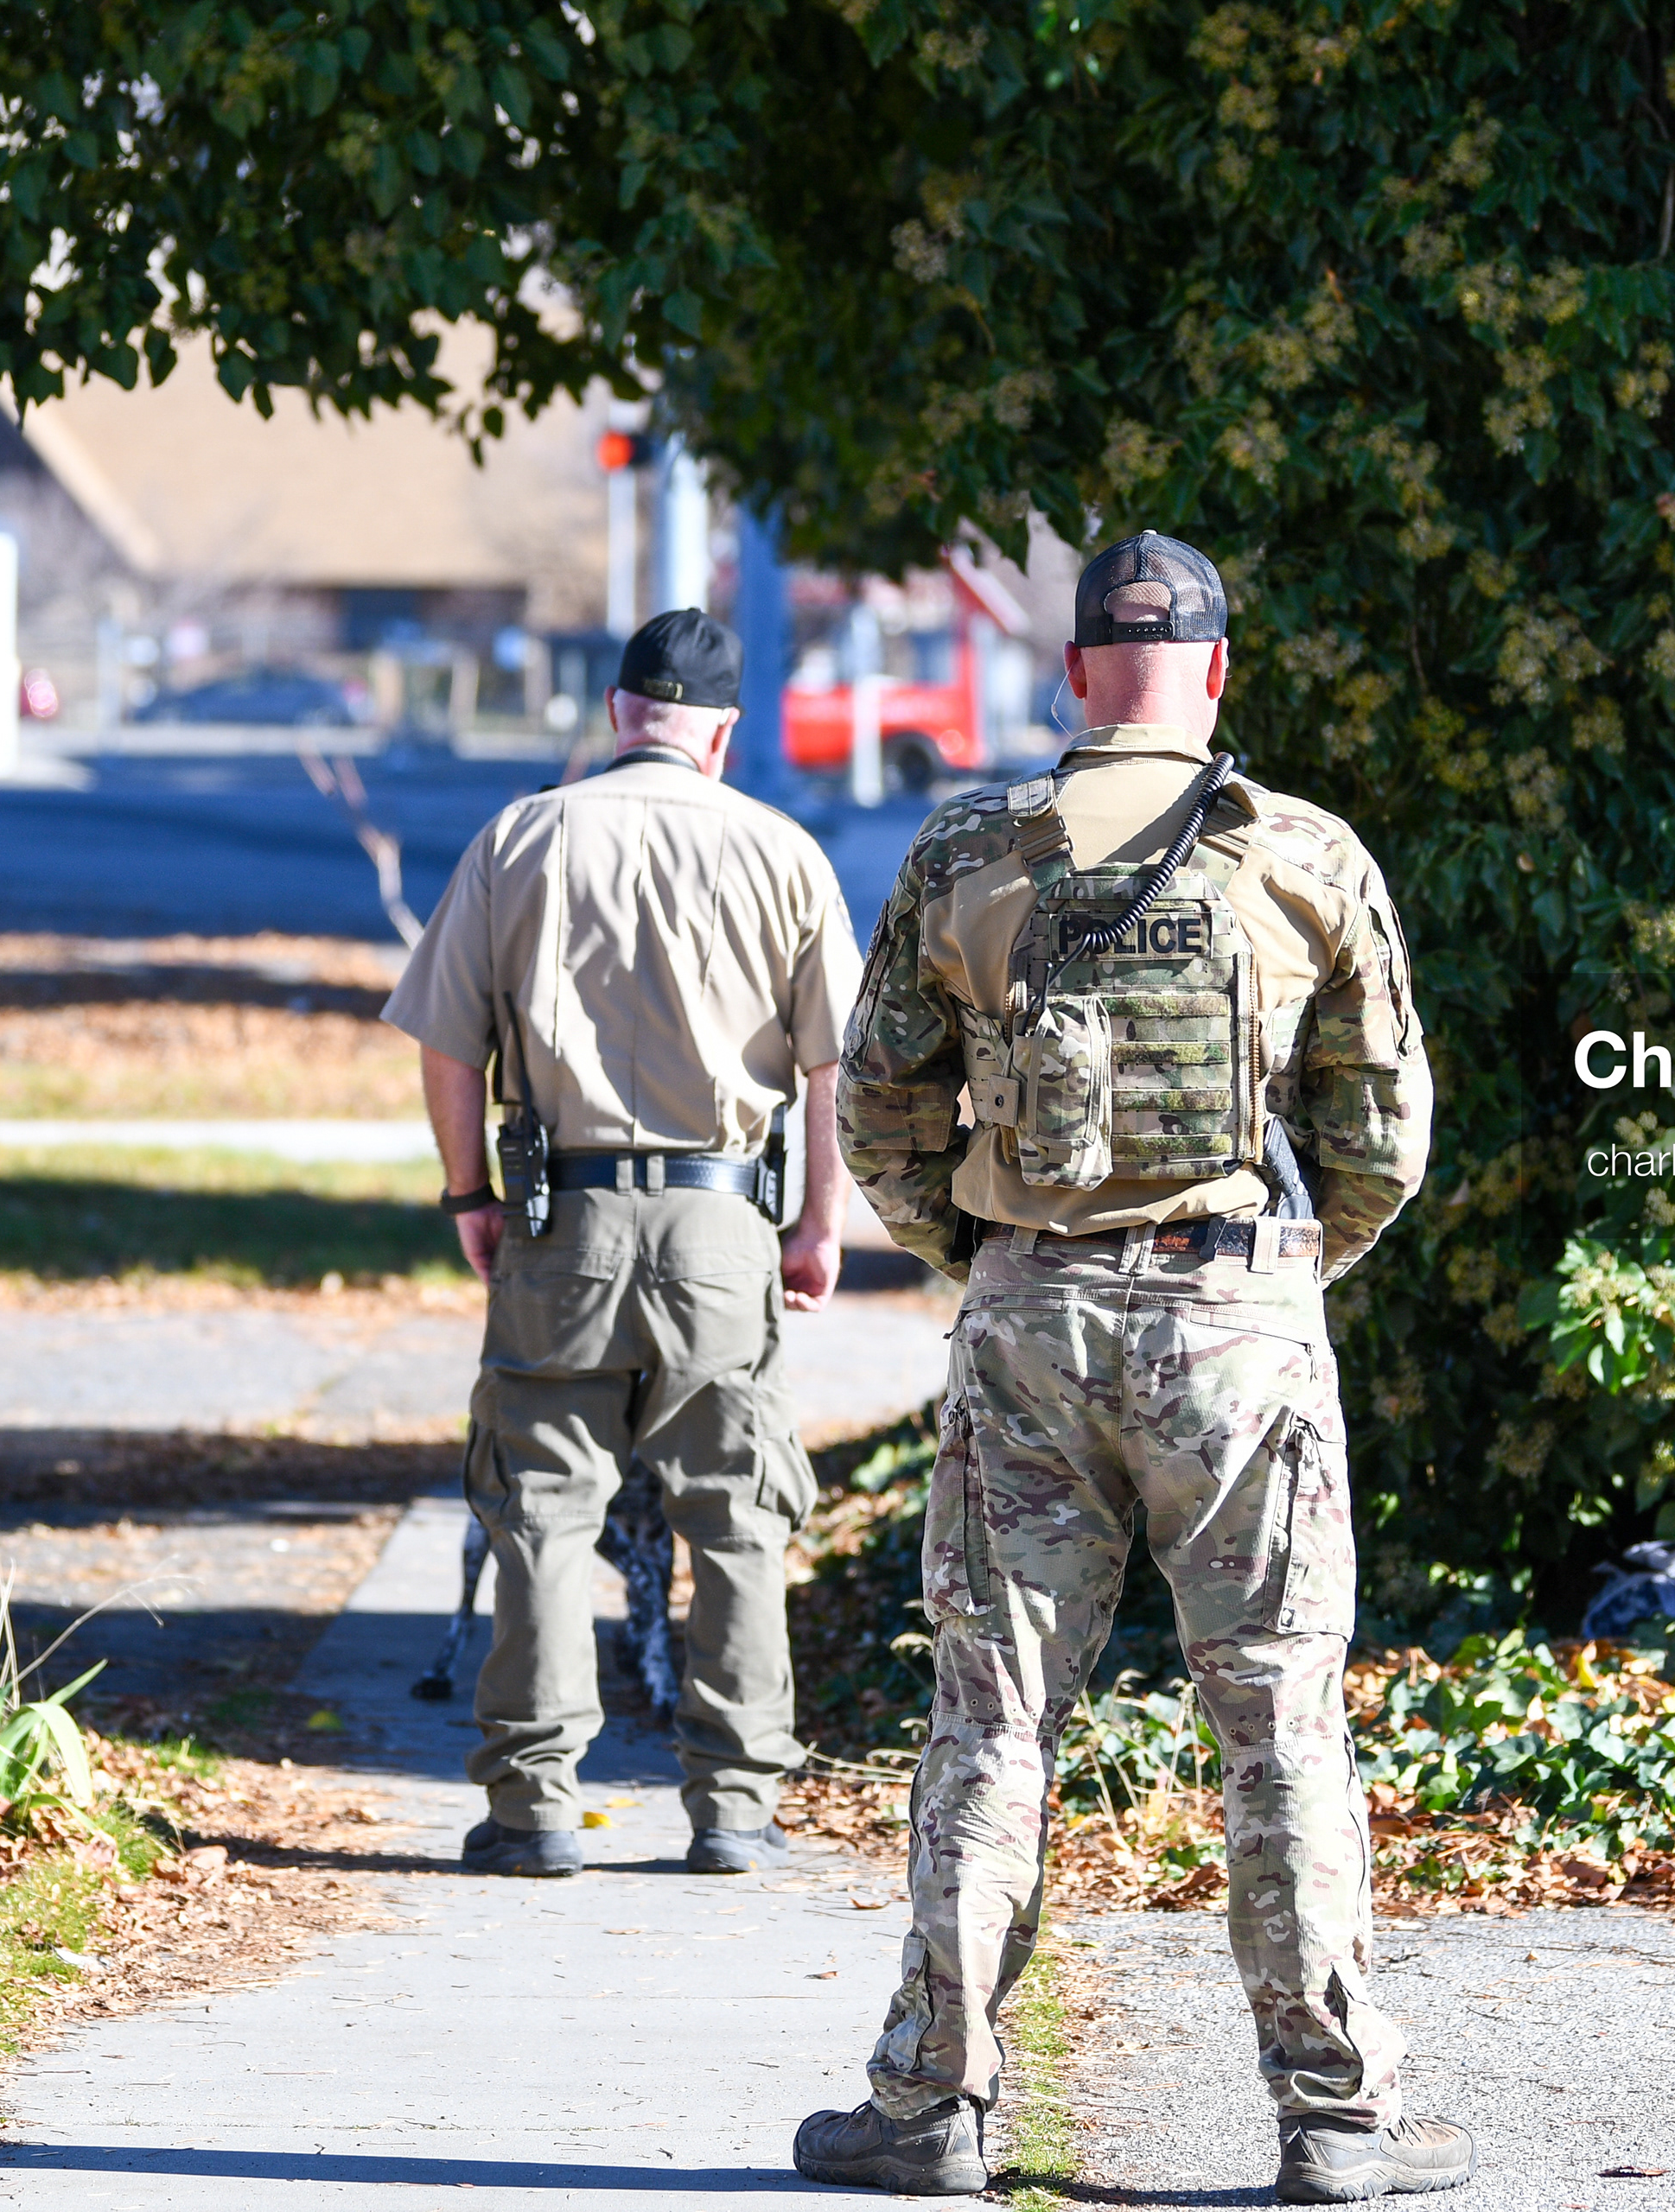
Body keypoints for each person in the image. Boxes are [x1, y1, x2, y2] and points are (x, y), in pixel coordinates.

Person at [795, 532, 1465, 2203]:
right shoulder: (1300, 855)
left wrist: (990, 1255)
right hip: (1237, 1332)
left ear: (1080, 667)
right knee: (1281, 1720)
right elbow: (1381, 1133)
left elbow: (876, 1107)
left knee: (993, 1719)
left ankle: (931, 2102)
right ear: (1220, 672)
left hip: (1029, 1324)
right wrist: (1283, 1275)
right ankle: (1332, 2118)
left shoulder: (968, 852)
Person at [381, 607, 859, 1878]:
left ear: (617, 716)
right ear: (724, 735)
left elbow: (444, 1040)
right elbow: (833, 1068)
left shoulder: (523, 837)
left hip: (564, 1222)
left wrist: (466, 1194)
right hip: (722, 1226)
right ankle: (735, 1807)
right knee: (739, 1517)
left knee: (539, 1509)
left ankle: (533, 1807)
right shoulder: (783, 852)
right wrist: (819, 1225)